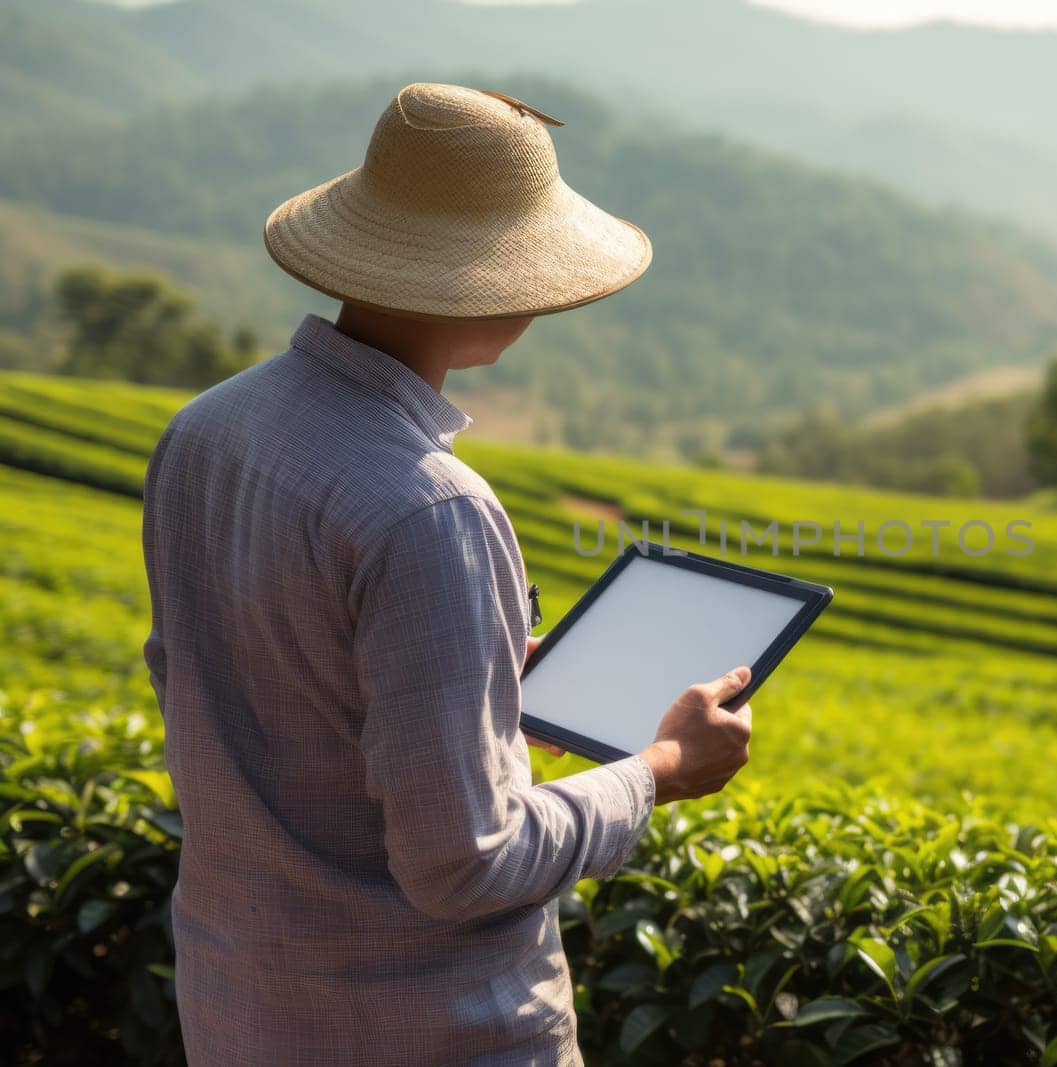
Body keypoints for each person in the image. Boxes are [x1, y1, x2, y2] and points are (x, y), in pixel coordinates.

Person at [140, 82, 754, 1066]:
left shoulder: (206, 429)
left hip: (241, 1004)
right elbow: (466, 864)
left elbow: (220, 682)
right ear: (506, 282)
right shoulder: (434, 509)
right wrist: (659, 772)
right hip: (429, 1030)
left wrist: (484, 679)